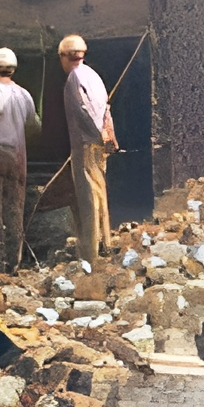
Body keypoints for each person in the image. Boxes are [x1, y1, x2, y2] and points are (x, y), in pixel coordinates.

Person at [0, 46, 39, 271]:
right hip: (17, 156)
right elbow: (33, 125)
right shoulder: (24, 95)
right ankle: (14, 262)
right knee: (15, 208)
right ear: (13, 70)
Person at [58, 33, 118, 259]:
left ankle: (91, 253)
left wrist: (95, 136)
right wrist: (108, 137)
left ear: (64, 56)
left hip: (86, 145)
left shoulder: (75, 78)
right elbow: (106, 110)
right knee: (100, 192)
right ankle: (106, 244)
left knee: (88, 198)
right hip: (98, 144)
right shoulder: (94, 76)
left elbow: (84, 111)